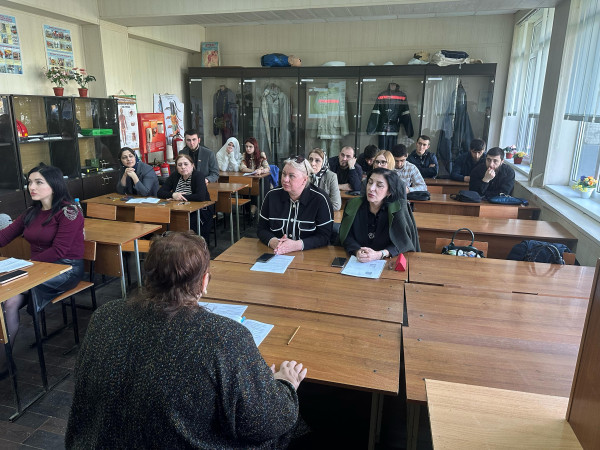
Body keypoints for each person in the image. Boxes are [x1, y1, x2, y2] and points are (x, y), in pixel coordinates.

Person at [65, 231, 307, 448]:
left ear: (148, 277)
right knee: (297, 425)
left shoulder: (105, 316)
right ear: (204, 282)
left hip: (100, 441)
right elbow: (267, 422)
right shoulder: (225, 337)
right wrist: (285, 384)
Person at [0, 165, 84, 377]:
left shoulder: (69, 212)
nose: (32, 187)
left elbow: (59, 250)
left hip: (65, 268)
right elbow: (4, 236)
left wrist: (27, 264)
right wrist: (29, 266)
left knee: (10, 295)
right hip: (35, 268)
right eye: (29, 182)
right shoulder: (31, 212)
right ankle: (4, 359)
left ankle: (3, 361)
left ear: (54, 185)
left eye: (39, 182)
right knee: (8, 300)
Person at [340, 168, 420, 262]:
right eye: (370, 182)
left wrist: (380, 254)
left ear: (389, 191)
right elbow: (346, 236)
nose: (371, 188)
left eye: (379, 185)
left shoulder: (398, 209)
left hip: (388, 261)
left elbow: (403, 242)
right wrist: (357, 250)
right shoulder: (353, 205)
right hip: (357, 260)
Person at [258, 156, 333, 254]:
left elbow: (325, 236)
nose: (285, 179)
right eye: (283, 174)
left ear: (305, 180)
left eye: (291, 176)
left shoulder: (320, 199)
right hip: (277, 253)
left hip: (309, 255)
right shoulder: (271, 196)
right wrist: (274, 242)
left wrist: (297, 245)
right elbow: (261, 229)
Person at [157, 154, 213, 239]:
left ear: (192, 165)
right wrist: (173, 195)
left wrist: (179, 197)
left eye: (186, 164)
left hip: (200, 210)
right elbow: (160, 192)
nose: (183, 167)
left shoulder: (198, 175)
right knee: (163, 219)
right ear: (176, 167)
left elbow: (200, 197)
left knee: (188, 225)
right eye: (179, 165)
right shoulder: (175, 176)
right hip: (179, 209)